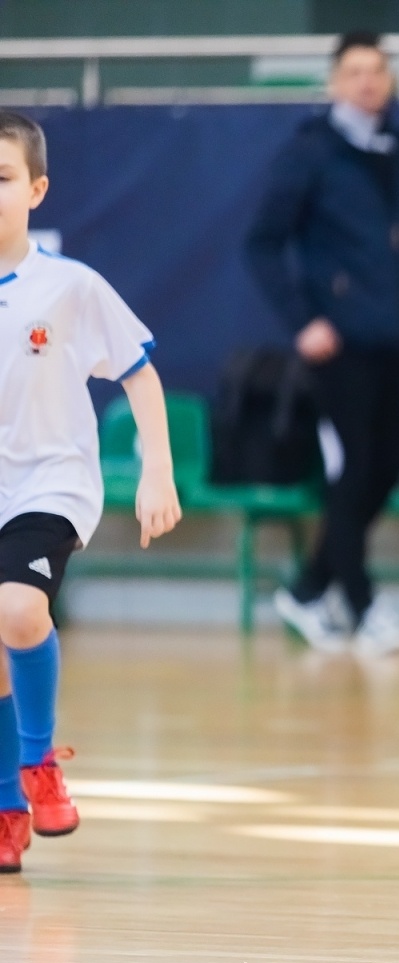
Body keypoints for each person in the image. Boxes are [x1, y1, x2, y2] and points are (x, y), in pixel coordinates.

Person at [0, 111, 182, 873]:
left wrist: (158, 469)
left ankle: (38, 761)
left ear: (36, 189)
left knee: (18, 611)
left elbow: (139, 374)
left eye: (2, 177)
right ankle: (8, 810)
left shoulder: (69, 286)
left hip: (51, 480)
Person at [245, 30, 399, 657]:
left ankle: (307, 589)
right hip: (343, 345)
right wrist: (305, 319)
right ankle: (362, 604)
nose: (367, 81)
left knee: (385, 471)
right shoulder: (310, 151)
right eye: (354, 71)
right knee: (353, 469)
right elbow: (263, 243)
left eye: (377, 70)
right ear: (333, 82)